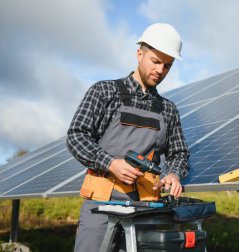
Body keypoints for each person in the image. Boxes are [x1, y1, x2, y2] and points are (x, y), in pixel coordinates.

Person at [66, 23, 190, 251]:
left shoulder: (168, 109)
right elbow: (76, 136)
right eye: (155, 61)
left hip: (145, 207)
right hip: (101, 204)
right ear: (139, 53)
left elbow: (179, 152)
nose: (160, 71)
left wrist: (174, 173)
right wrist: (111, 163)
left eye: (167, 66)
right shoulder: (104, 92)